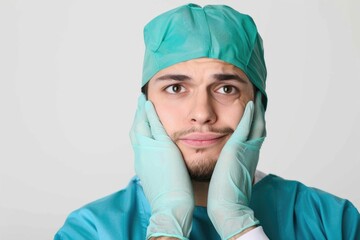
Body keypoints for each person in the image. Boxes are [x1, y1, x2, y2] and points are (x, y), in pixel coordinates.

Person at [55, 3, 360, 240]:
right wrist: (168, 225)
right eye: (176, 88)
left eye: (226, 88)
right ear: (145, 109)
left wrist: (240, 225)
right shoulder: (90, 230)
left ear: (258, 105)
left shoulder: (332, 222)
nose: (201, 112)